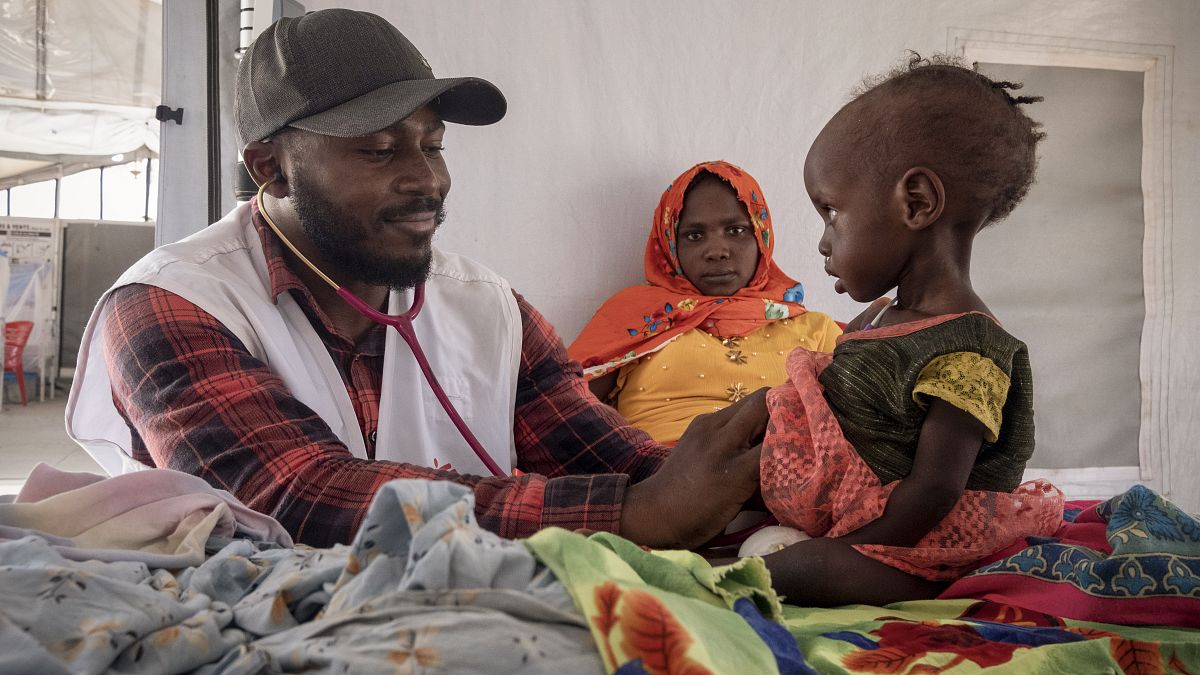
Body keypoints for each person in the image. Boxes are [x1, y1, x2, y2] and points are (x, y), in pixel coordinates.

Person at [65, 9, 766, 550]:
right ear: (270, 167)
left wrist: (768, 480)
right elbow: (291, 497)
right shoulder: (171, 304)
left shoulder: (491, 311)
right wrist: (632, 514)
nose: (428, 179)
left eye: (433, 143)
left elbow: (624, 461)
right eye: (379, 150)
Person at [749, 55, 1065, 606]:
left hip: (916, 536)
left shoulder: (970, 349)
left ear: (915, 203)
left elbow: (936, 489)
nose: (825, 241)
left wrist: (856, 547)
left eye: (831, 212)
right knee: (734, 425)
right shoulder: (881, 317)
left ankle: (898, 579)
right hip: (854, 502)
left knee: (807, 571)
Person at [569, 161, 841, 444]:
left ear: (761, 236)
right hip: (660, 479)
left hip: (787, 477)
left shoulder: (816, 330)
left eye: (736, 230)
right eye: (694, 236)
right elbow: (559, 414)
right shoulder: (634, 318)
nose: (716, 251)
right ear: (670, 243)